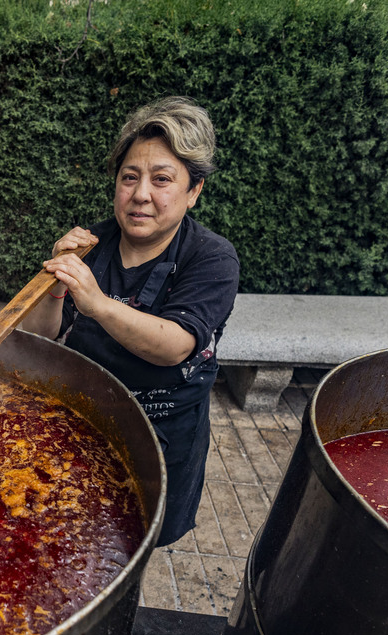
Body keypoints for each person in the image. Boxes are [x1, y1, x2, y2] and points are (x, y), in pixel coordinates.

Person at [23, 96, 240, 547]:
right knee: (71, 535)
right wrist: (58, 281)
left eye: (162, 180)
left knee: (133, 542)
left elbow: (176, 344)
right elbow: (38, 336)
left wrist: (97, 301)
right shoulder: (92, 245)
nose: (141, 194)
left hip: (159, 435)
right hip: (84, 422)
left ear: (194, 190)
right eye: (129, 178)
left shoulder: (211, 257)